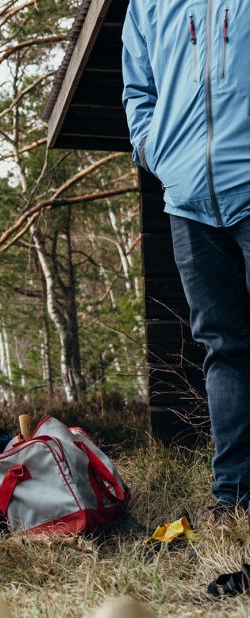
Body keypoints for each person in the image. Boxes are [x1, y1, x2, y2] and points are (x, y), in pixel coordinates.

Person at [123, 1, 250, 520]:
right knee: (223, 347)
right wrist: (159, 156)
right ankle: (234, 495)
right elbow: (139, 91)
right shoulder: (147, 4)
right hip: (189, 202)